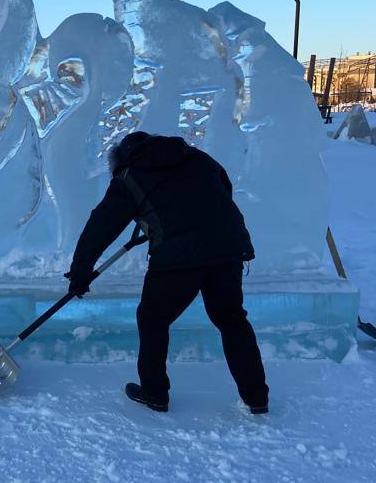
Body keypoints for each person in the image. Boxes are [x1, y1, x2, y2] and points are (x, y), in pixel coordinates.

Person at [66, 131, 269, 414]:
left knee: (152, 318)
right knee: (232, 319)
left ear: (122, 158)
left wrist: (80, 272)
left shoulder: (129, 176)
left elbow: (101, 226)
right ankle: (256, 397)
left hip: (178, 257)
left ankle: (154, 391)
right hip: (228, 248)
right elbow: (222, 191)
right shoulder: (199, 158)